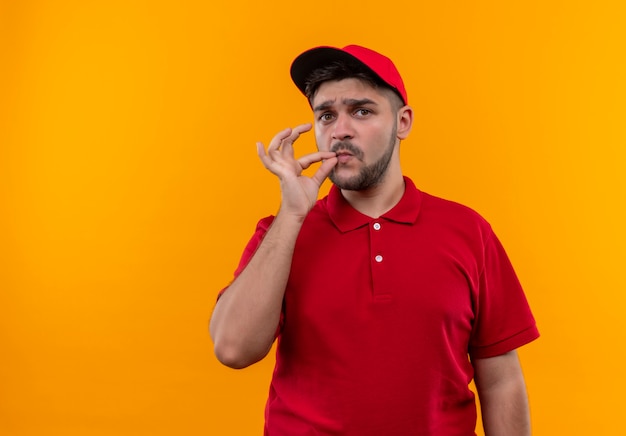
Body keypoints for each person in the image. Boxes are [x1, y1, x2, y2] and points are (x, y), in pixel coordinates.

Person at [210, 44, 539, 435]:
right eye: (326, 115)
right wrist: (293, 213)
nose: (340, 129)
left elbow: (500, 377)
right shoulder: (281, 232)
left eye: (361, 111)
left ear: (403, 122)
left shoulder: (468, 231)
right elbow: (233, 350)